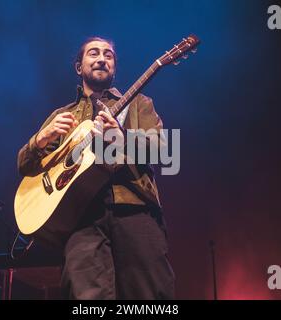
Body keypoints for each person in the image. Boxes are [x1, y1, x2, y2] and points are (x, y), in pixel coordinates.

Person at [17, 37, 175, 299]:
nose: (102, 58)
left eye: (109, 55)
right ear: (79, 67)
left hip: (134, 208)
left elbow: (168, 152)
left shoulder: (138, 103)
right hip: (80, 219)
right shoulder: (61, 116)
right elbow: (24, 165)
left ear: (114, 67)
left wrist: (123, 138)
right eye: (94, 53)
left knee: (149, 295)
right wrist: (39, 140)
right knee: (87, 298)